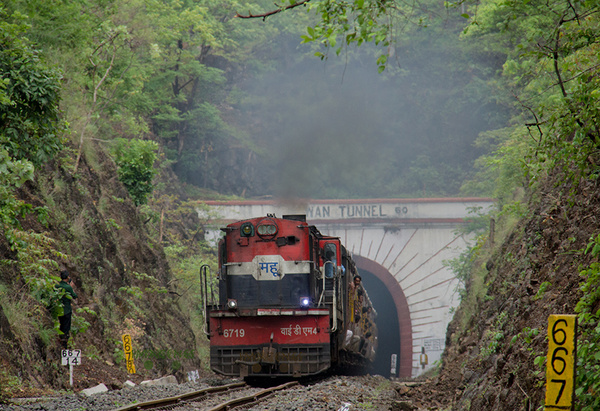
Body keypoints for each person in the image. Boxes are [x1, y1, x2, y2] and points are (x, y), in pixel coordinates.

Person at [56, 270, 77, 349]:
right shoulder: (68, 287)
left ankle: (61, 339)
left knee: (61, 325)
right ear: (67, 277)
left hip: (59, 309)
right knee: (66, 327)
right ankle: (64, 344)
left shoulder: (57, 285)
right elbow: (74, 296)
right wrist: (71, 287)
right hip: (67, 310)